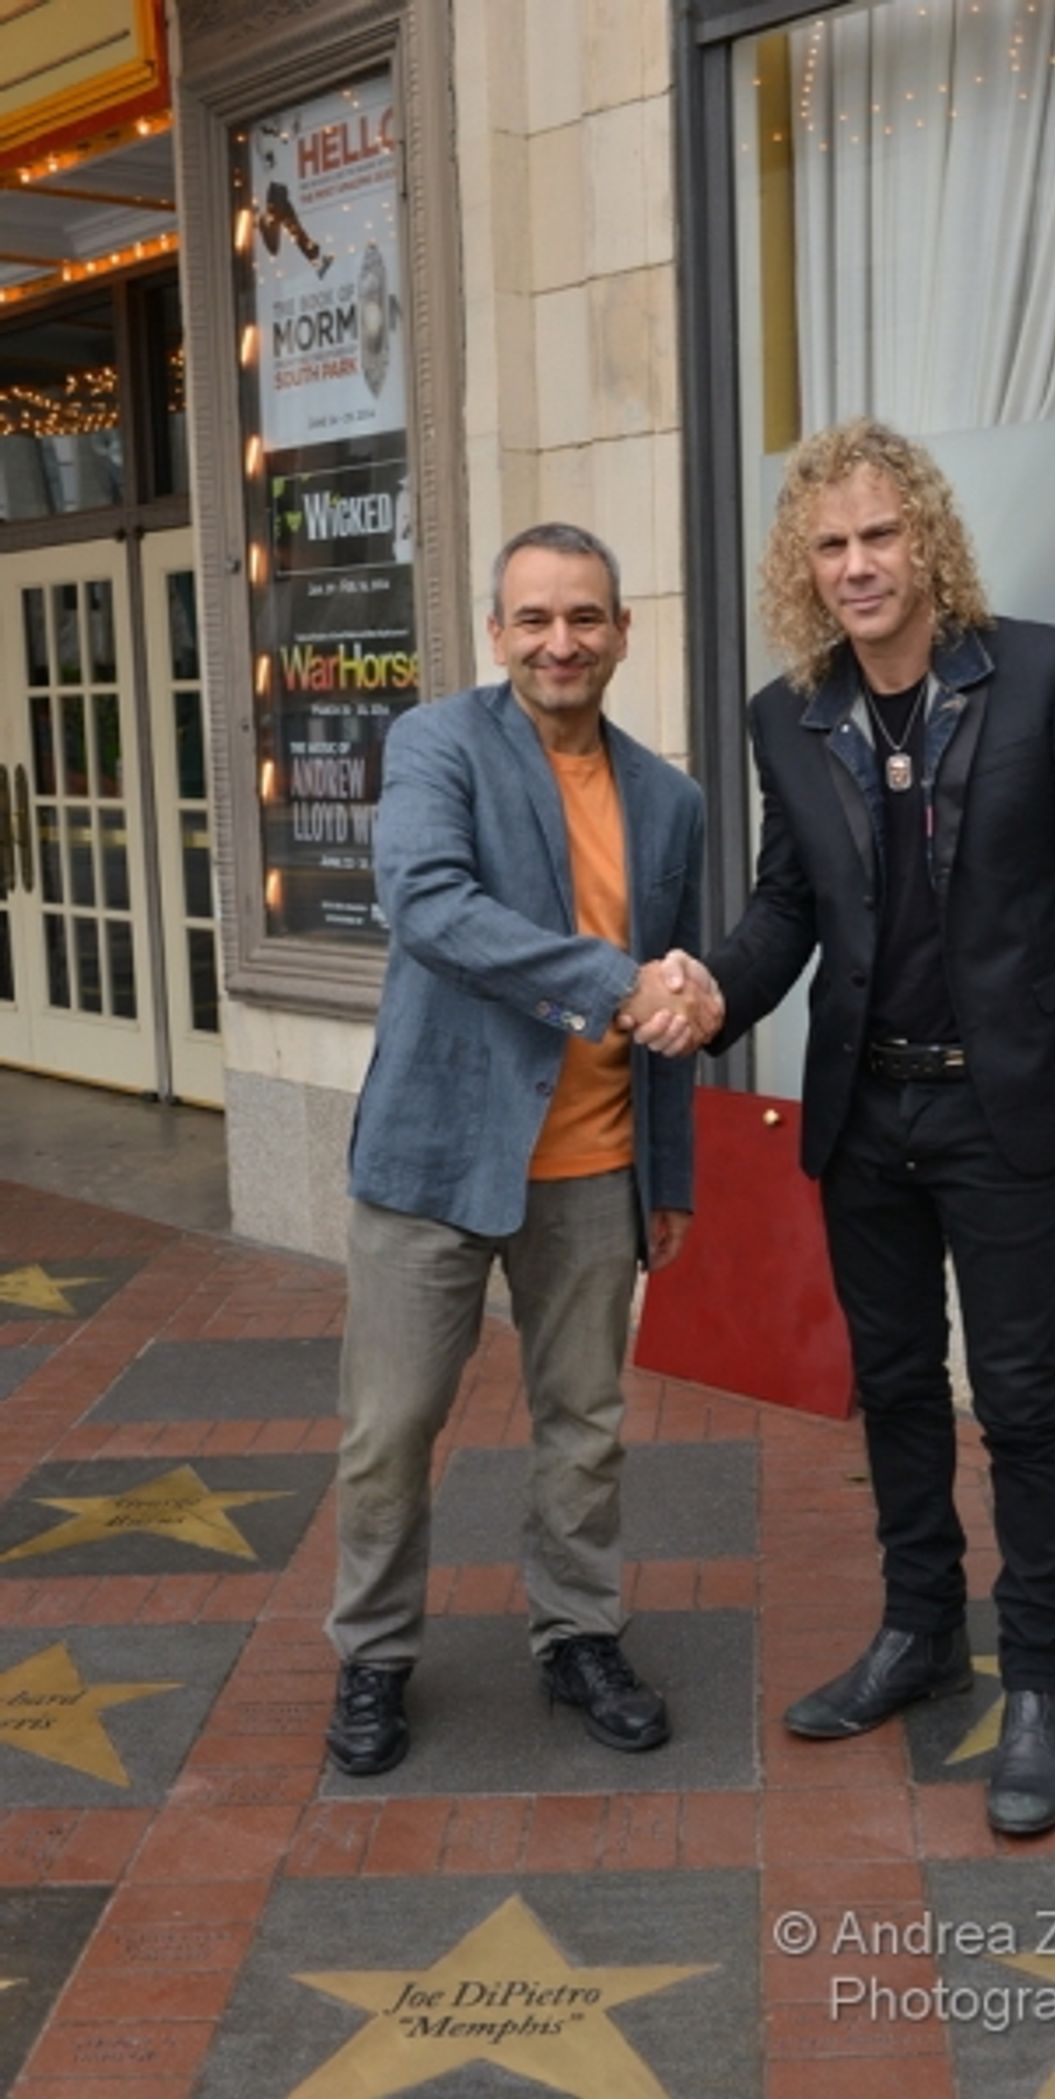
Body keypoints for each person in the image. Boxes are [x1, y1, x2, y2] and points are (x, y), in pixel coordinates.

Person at [649, 420, 1055, 1834]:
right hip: (865, 1112)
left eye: (880, 535)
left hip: (1005, 1114)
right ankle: (920, 1628)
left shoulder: (1049, 674)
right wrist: (710, 985)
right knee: (891, 1389)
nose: (859, 565)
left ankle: (1041, 1682)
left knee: (1024, 1402)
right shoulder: (789, 714)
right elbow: (788, 913)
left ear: (924, 537)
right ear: (803, 569)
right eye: (831, 545)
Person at [325, 522, 712, 1776]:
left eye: (585, 617)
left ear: (620, 630)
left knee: (585, 1427)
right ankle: (373, 1657)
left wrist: (671, 1174)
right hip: (435, 1159)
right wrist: (611, 979)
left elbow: (671, 1010)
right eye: (535, 619)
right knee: (390, 1431)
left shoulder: (669, 799)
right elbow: (432, 908)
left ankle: (577, 1636)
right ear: (497, 633)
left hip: (594, 1170)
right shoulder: (437, 742)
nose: (561, 642)